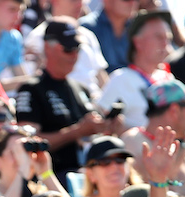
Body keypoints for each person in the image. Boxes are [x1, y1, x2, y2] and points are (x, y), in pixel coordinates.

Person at [16, 19, 115, 179]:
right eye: (68, 49)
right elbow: (27, 143)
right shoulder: (31, 89)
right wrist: (77, 132)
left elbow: (89, 132)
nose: (75, 55)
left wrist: (106, 127)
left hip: (86, 175)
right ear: (48, 47)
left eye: (77, 48)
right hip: (51, 176)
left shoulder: (80, 88)